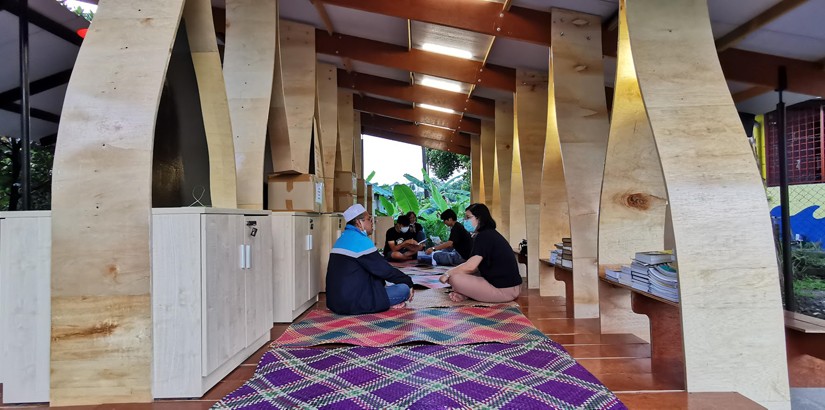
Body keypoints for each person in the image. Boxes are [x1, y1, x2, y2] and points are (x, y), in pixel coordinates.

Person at [326, 204, 415, 314]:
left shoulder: (342, 239)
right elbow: (385, 270)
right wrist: (408, 282)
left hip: (335, 302)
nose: (372, 222)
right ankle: (389, 303)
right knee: (403, 290)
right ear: (359, 223)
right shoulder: (361, 240)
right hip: (353, 303)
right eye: (369, 219)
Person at [439, 203, 522, 303]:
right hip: (511, 287)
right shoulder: (488, 234)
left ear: (479, 218)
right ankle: (465, 294)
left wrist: (448, 274)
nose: (465, 221)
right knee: (462, 274)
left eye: (468, 217)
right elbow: (476, 267)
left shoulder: (484, 236)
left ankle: (465, 293)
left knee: (454, 279)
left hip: (504, 290)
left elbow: (470, 267)